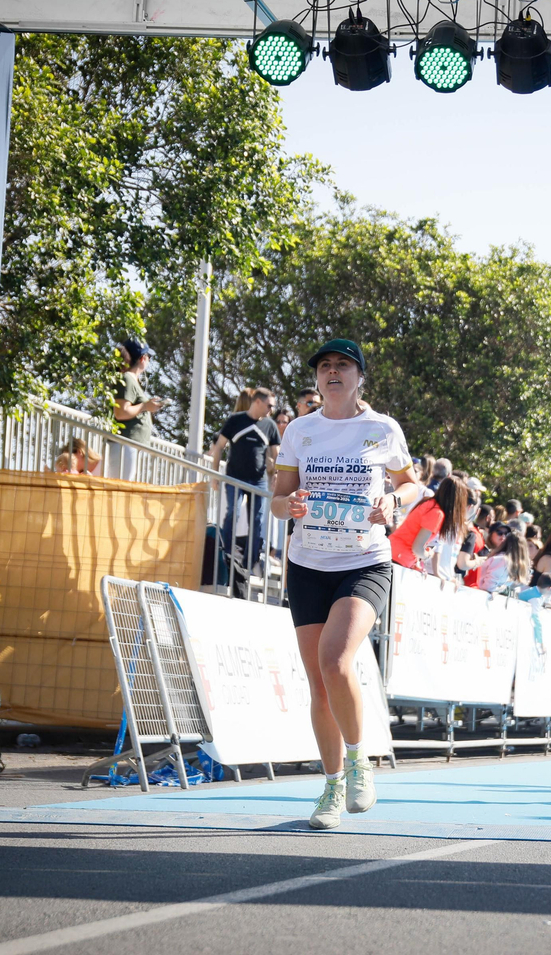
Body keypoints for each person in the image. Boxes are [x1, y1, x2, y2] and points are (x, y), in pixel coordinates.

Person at [271, 339, 418, 830]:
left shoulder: (381, 428)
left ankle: (359, 762)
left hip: (365, 561)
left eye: (342, 365)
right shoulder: (300, 430)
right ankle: (331, 786)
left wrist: (394, 504)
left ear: (359, 377)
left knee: (336, 659)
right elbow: (278, 497)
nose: (332, 372)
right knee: (318, 682)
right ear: (317, 379)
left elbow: (412, 482)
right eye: (324, 366)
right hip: (309, 563)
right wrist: (287, 507)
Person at [210, 387, 280, 595]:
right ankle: (227, 552)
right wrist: (214, 474)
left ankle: (251, 559)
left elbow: (277, 455)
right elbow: (219, 447)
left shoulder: (270, 426)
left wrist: (275, 474)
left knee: (257, 518)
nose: (271, 410)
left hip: (257, 481)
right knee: (233, 511)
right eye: (269, 406)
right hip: (234, 477)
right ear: (257, 402)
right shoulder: (235, 420)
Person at [391, 475, 469, 577]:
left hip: (393, 553)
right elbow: (417, 548)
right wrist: (427, 555)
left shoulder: (428, 502)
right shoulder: (436, 513)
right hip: (398, 559)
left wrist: (415, 562)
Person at [113, 339, 163, 480]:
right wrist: (145, 406)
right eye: (148, 357)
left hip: (130, 446)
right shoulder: (127, 379)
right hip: (124, 446)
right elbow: (121, 412)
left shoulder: (131, 380)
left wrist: (147, 406)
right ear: (142, 358)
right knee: (121, 488)